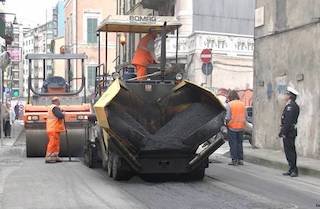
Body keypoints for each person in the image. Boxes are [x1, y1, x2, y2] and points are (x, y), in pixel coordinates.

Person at [279, 87, 300, 177]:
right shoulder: (289, 105)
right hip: (289, 131)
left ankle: (294, 170)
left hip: (289, 132)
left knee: (290, 151)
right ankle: (291, 168)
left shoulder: (292, 106)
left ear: (290, 96)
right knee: (288, 151)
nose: (285, 96)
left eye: (286, 94)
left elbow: (288, 121)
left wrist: (283, 132)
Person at [225, 90, 246, 166]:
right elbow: (245, 116)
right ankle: (240, 159)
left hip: (232, 127)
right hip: (241, 127)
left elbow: (227, 117)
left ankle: (234, 160)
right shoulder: (242, 104)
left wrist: (226, 124)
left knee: (233, 144)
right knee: (239, 143)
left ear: (230, 97)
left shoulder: (229, 104)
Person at [45, 96, 65, 163]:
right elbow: (60, 115)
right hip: (53, 128)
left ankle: (55, 156)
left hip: (54, 128)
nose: (59, 102)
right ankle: (48, 157)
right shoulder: (54, 107)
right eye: (58, 101)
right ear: (55, 101)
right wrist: (63, 114)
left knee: (56, 143)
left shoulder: (53, 108)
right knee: (52, 143)